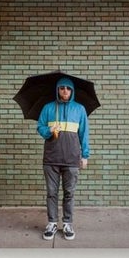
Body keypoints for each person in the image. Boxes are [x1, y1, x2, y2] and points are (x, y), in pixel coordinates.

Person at [38, 75, 90, 240]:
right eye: (62, 88)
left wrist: (85, 155)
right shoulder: (48, 108)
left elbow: (84, 134)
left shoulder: (80, 109)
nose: (65, 91)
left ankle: (67, 223)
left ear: (72, 91)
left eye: (68, 88)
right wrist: (50, 131)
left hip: (72, 158)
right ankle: (52, 223)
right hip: (51, 158)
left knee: (69, 193)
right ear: (57, 90)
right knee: (51, 193)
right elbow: (39, 127)